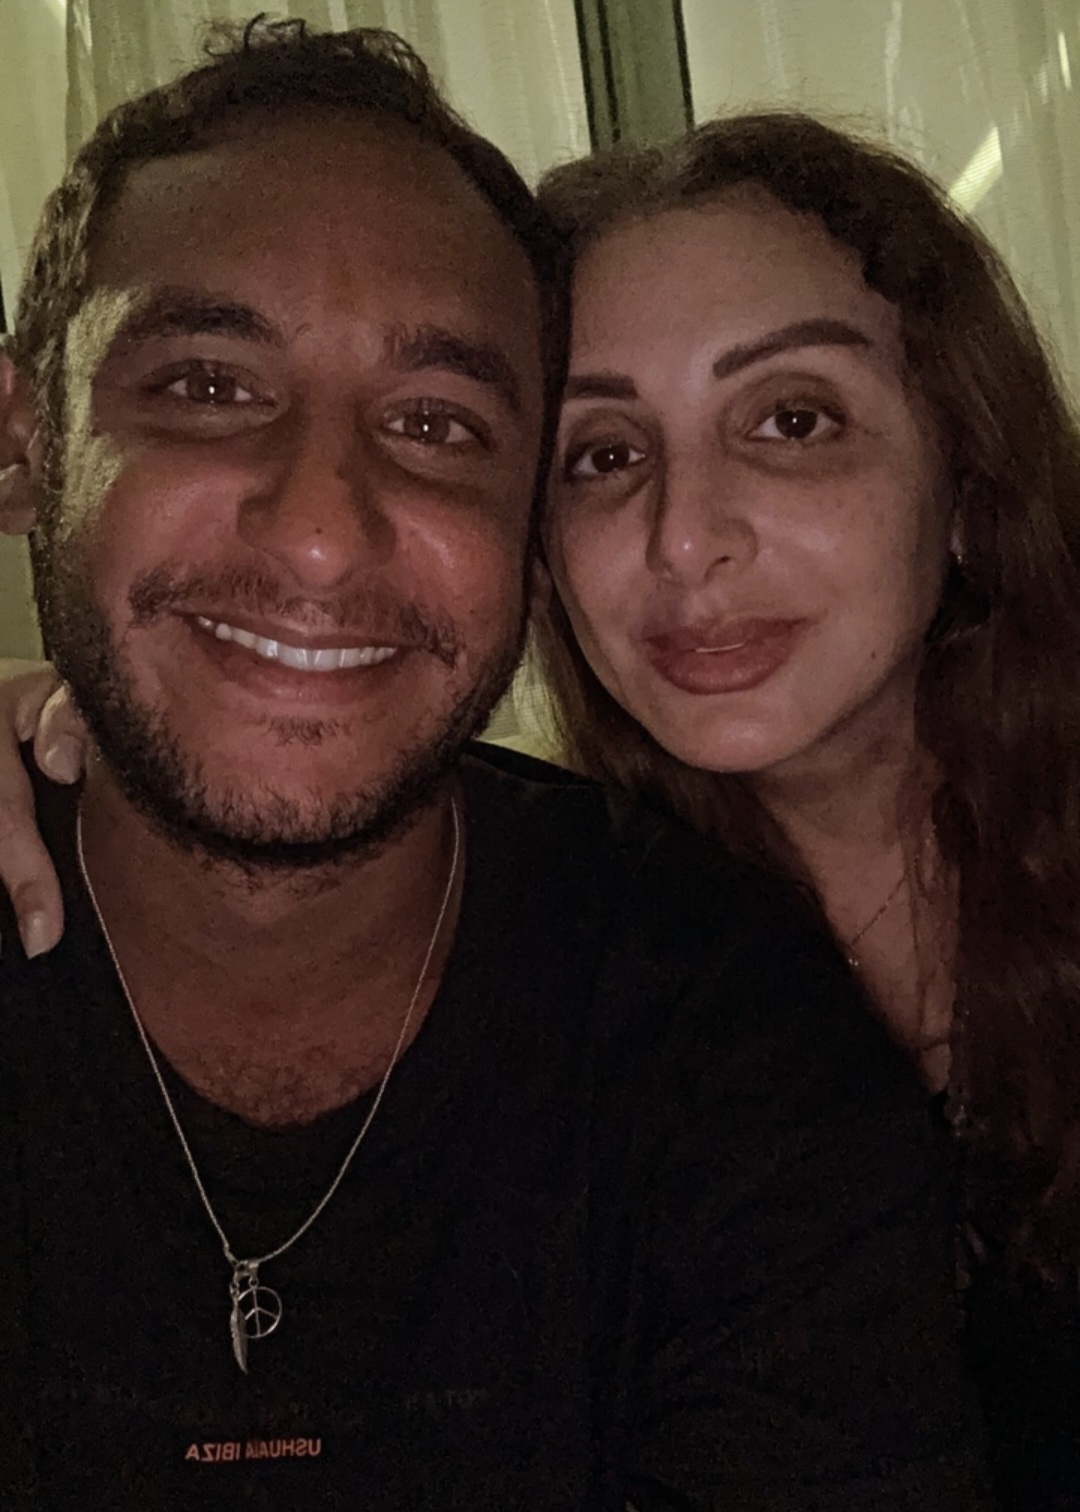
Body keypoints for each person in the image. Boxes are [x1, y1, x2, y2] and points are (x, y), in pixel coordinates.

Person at [0, 21, 989, 1511]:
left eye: (435, 423)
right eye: (208, 385)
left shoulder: (728, 1040)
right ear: (23, 444)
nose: (318, 534)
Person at [526, 117, 1080, 1509]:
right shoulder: (558, 949)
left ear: (964, 483)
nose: (684, 538)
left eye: (791, 421)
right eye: (603, 454)